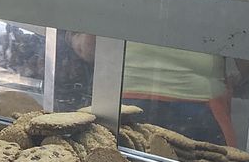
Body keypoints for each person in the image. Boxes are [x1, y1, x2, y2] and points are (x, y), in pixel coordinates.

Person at [68, 33, 238, 145]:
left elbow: (89, 47)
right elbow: (246, 67)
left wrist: (73, 38)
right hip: (203, 107)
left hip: (125, 103)